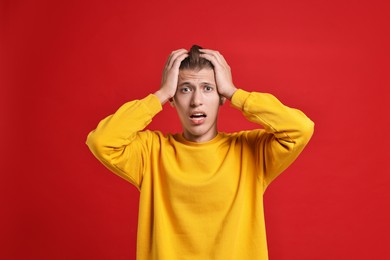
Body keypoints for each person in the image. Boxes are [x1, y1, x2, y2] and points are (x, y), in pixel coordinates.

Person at [86, 45, 314, 260]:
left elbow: (300, 129)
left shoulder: (250, 152)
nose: (196, 101)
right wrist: (160, 94)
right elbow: (101, 141)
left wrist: (235, 93)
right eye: (185, 90)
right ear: (173, 100)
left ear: (221, 97)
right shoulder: (151, 152)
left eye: (208, 88)